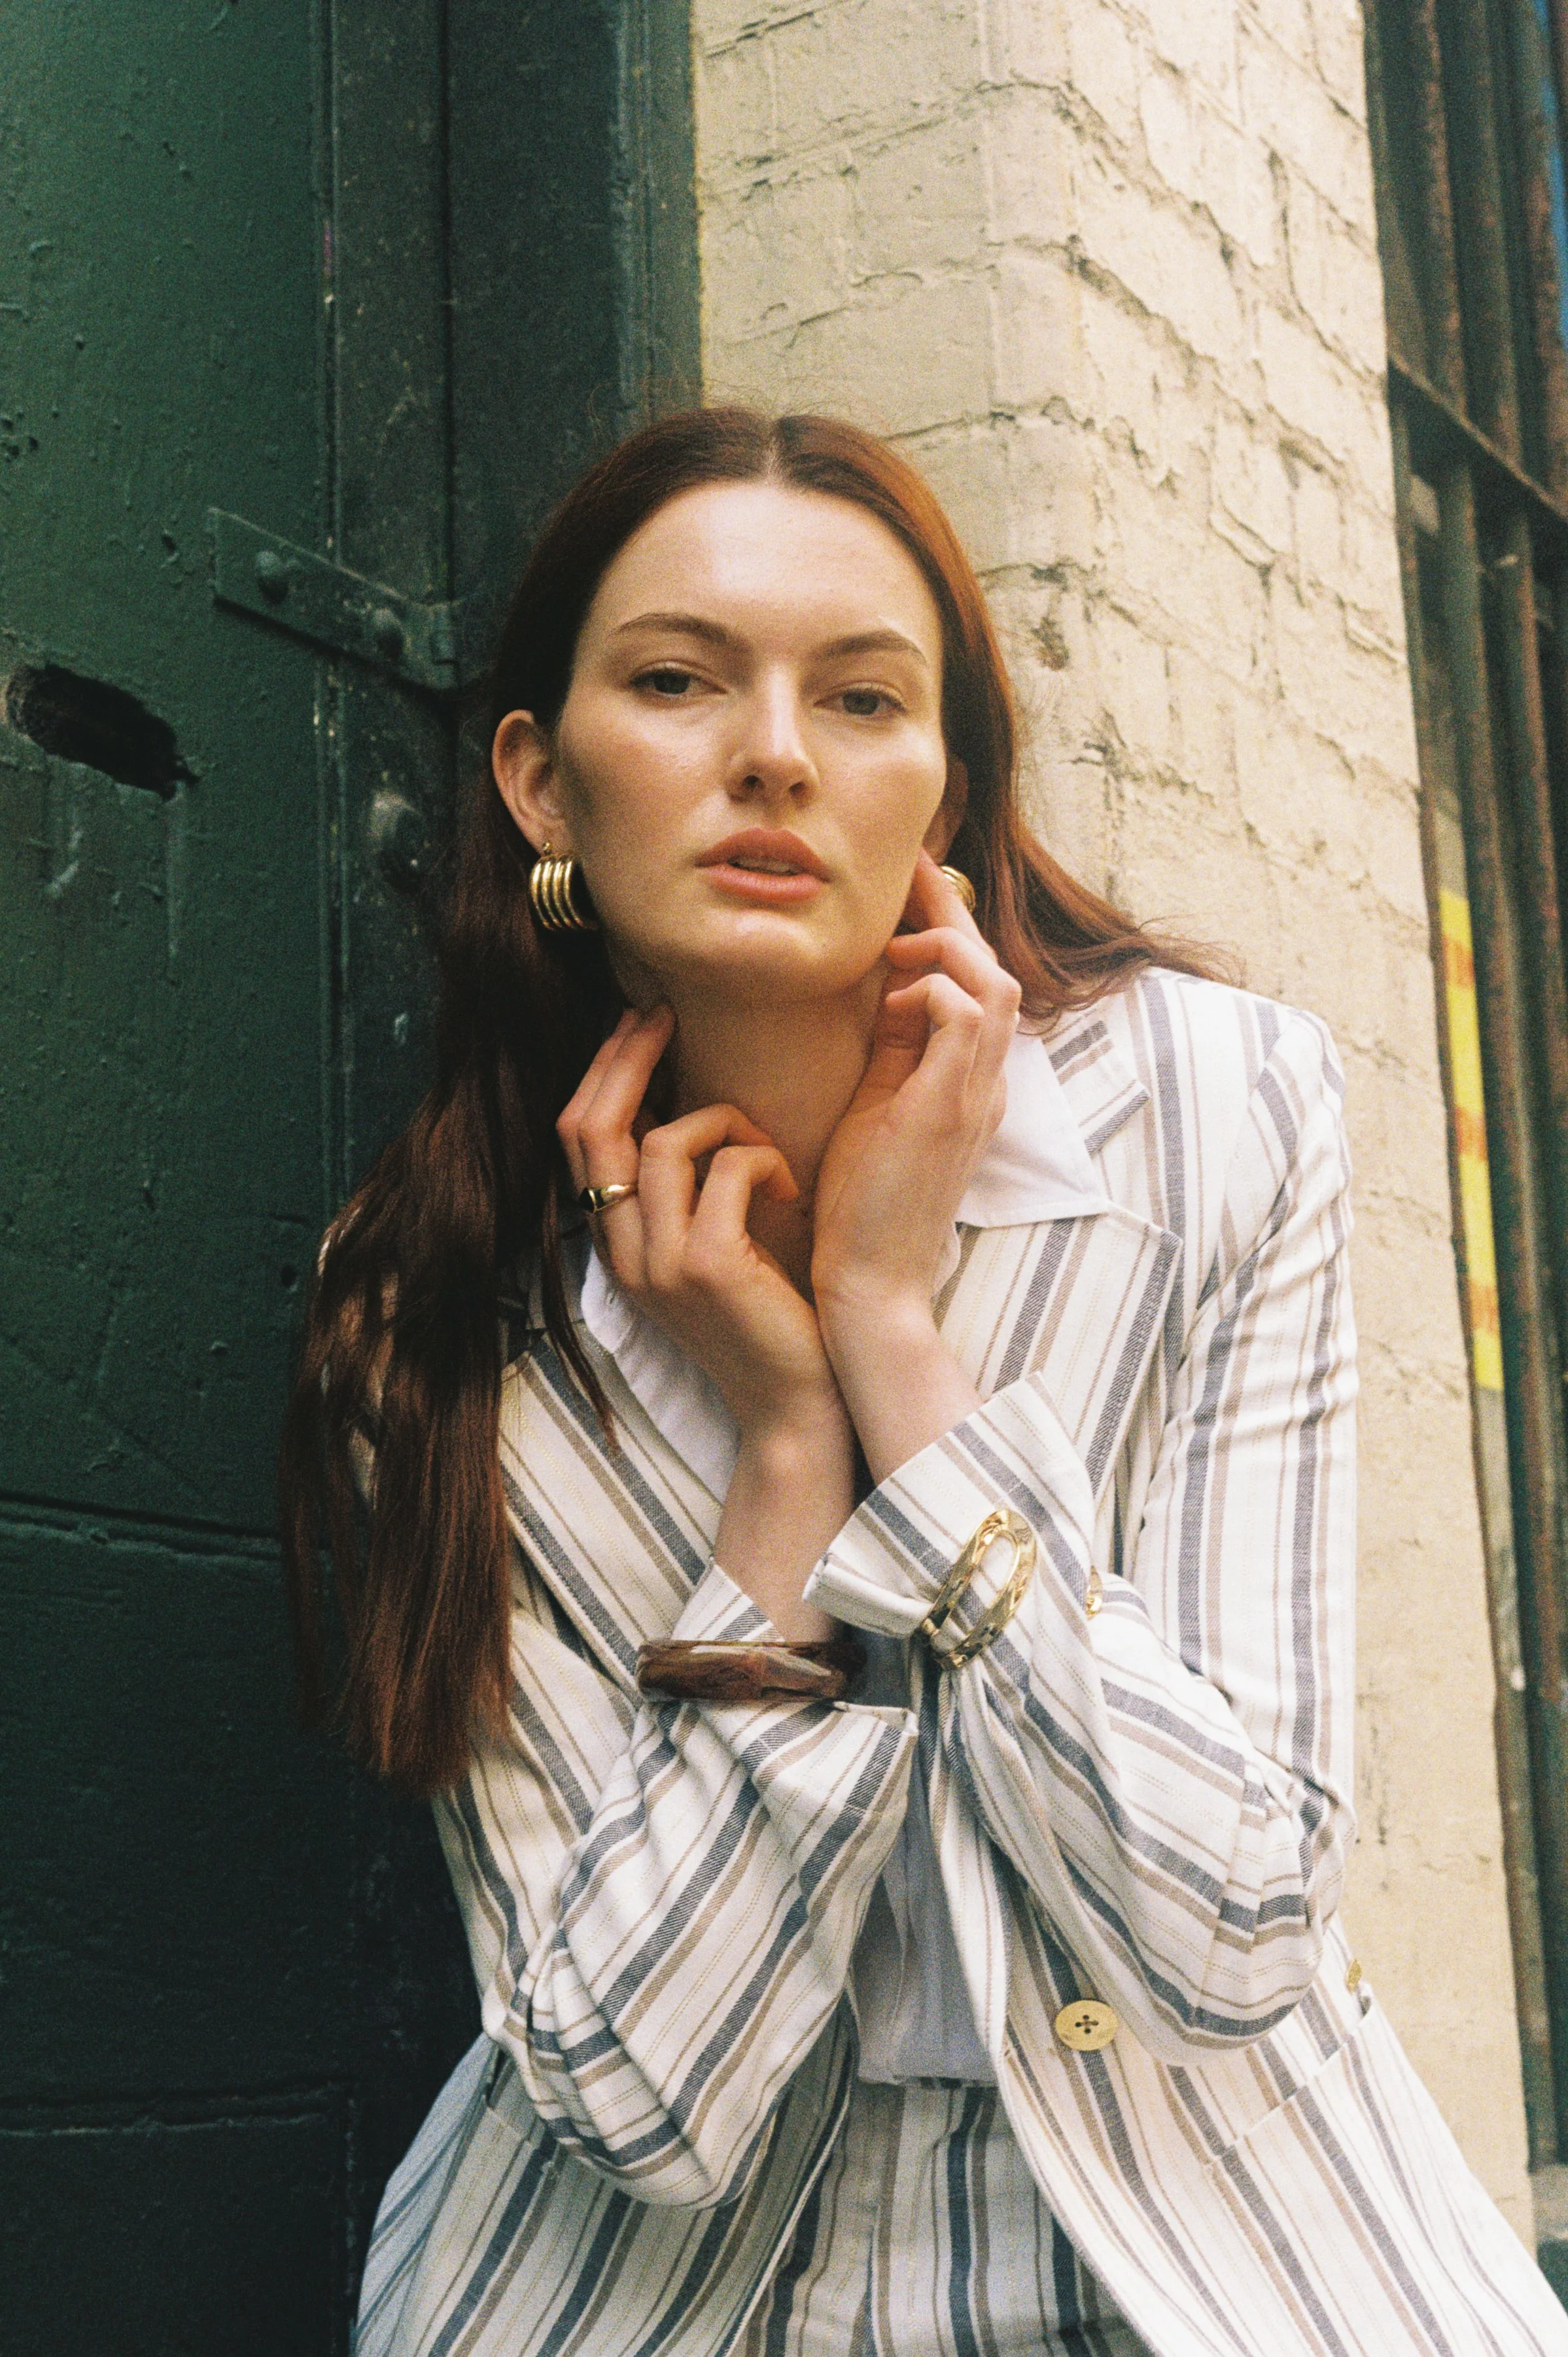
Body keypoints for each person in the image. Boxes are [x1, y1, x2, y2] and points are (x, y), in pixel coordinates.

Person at [280, 408, 1568, 2357]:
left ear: (942, 787)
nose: (774, 752)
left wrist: (890, 1346)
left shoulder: (1219, 1120)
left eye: (862, 697)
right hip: (656, 2302)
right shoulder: (430, 1318)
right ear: (542, 786)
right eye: (674, 679)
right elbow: (634, 2098)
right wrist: (788, 1464)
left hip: (1212, 2250)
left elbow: (1229, 1937)